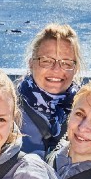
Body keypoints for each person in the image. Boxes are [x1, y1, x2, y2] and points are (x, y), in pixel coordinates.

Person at [17, 23, 83, 158]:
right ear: (31, 64)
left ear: (75, 69)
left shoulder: (88, 111)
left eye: (66, 63)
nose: (56, 70)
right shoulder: (8, 109)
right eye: (46, 61)